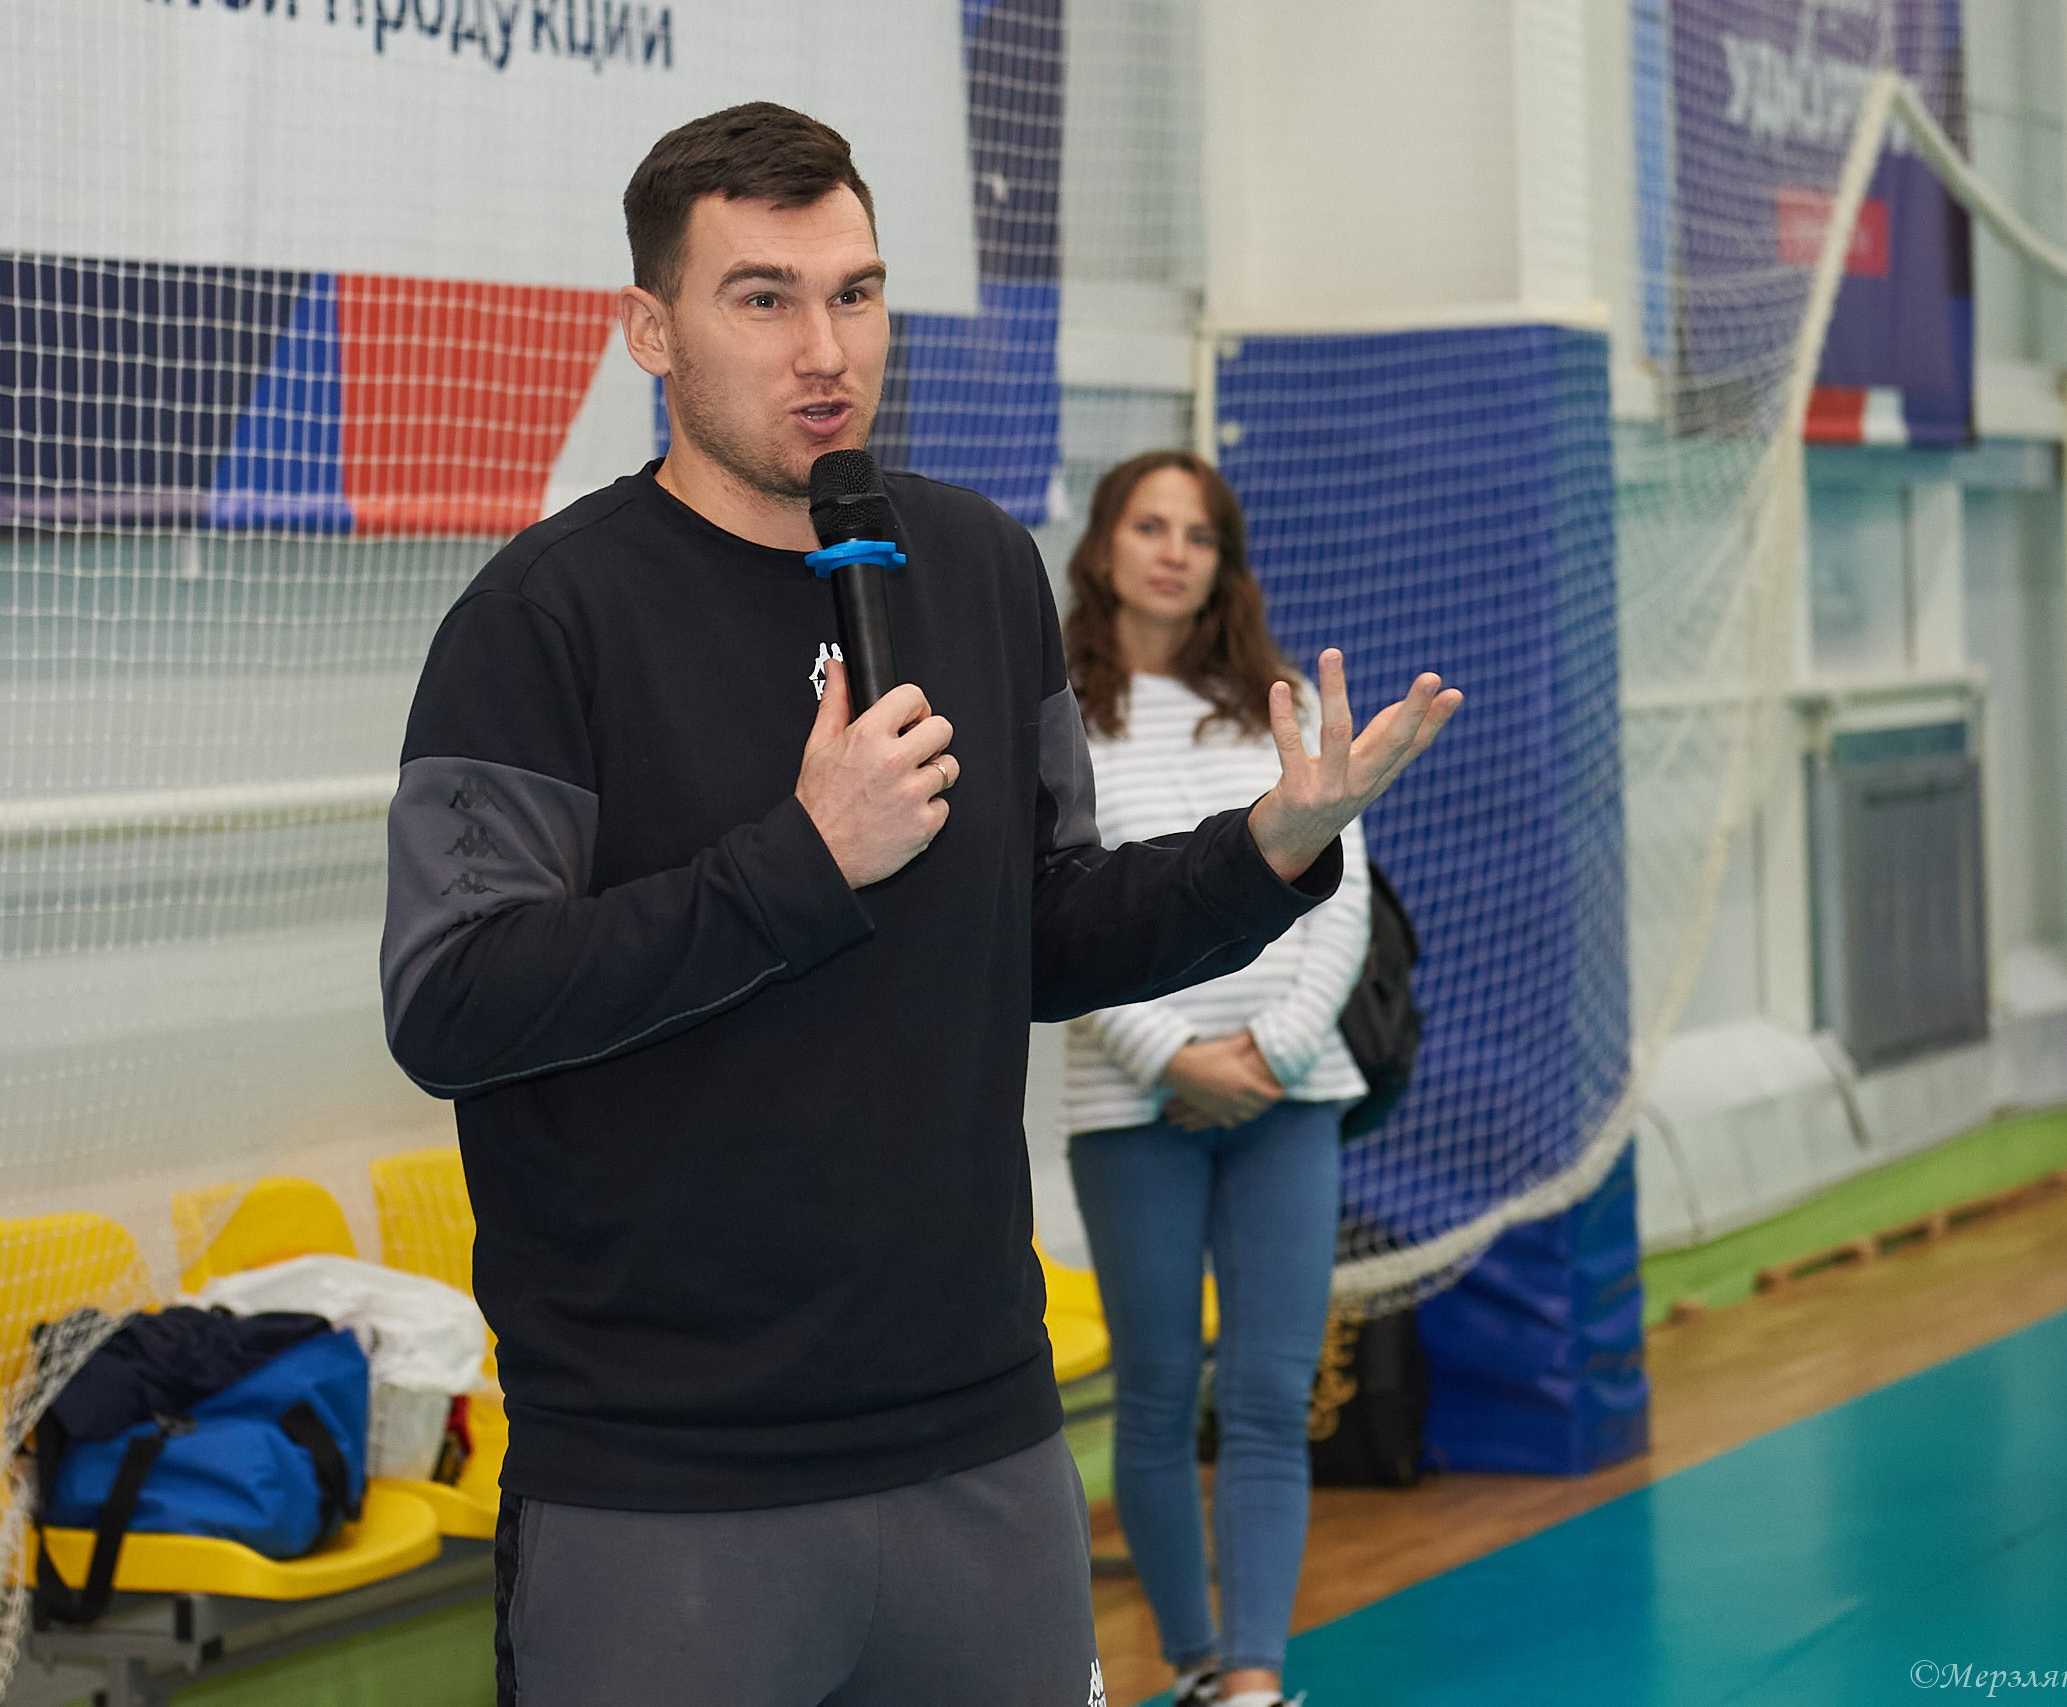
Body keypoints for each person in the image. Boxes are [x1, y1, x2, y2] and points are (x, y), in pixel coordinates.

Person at [381, 102, 1460, 1707]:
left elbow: (1046, 925)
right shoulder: (542, 617)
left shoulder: (969, 565)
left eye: (859, 292)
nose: (828, 348)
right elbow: (453, 999)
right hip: (666, 1476)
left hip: (979, 1439)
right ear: (647, 330)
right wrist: (799, 860)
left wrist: (1269, 847)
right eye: (764, 297)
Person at [1061, 452, 1371, 1707]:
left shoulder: (1272, 711)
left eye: (1198, 532)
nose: (1173, 550)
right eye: (1150, 525)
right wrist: (1172, 1056)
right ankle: (1191, 1665)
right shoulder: (1059, 718)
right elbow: (1052, 914)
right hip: (1131, 1109)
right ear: (1104, 546)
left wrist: (1269, 1056)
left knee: (1262, 1391)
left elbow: (1339, 900)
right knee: (1152, 1394)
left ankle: (1251, 1682)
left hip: (1287, 1102)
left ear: (1222, 561)